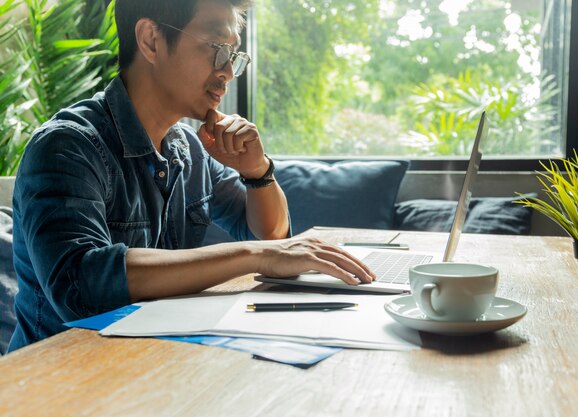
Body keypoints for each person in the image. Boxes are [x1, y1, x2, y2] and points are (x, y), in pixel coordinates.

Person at [7, 0, 374, 352]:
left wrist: (257, 172)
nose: (227, 71)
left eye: (233, 55)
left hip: (153, 364)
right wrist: (257, 255)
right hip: (55, 385)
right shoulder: (67, 146)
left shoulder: (188, 149)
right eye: (217, 48)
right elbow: (80, 286)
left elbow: (272, 235)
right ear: (151, 40)